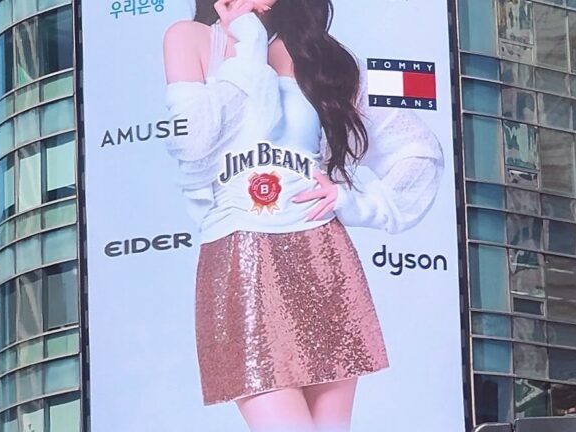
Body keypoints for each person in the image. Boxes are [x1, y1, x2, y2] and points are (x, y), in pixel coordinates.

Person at [162, 0, 443, 430]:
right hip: (239, 257)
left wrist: (355, 201)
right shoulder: (189, 38)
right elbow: (194, 146)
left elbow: (416, 147)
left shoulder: (321, 55)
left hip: (321, 256)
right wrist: (249, 47)